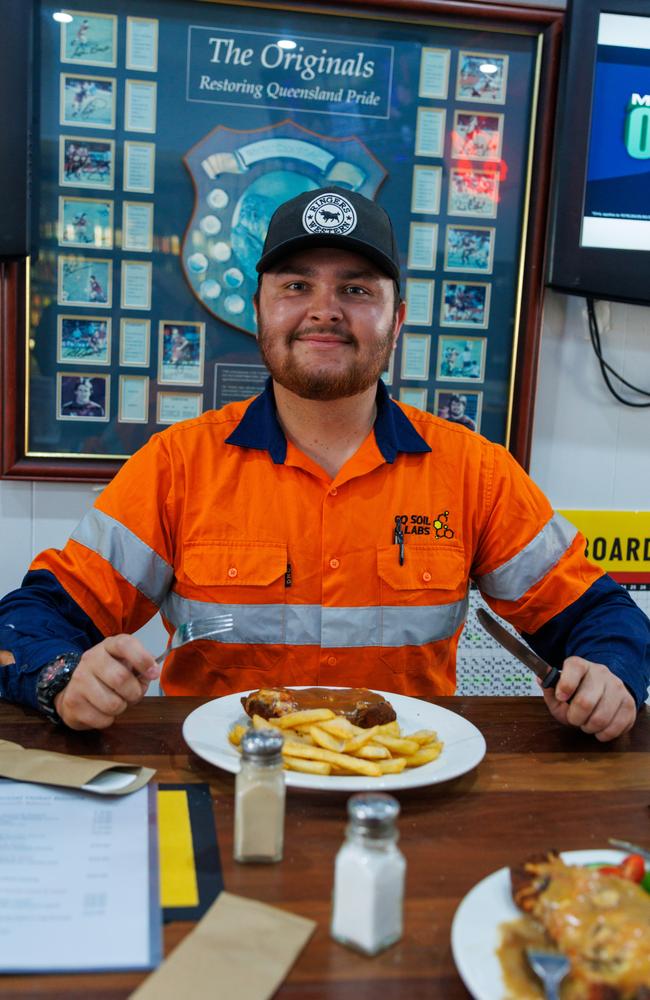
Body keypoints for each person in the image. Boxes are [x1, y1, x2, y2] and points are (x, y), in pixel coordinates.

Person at [0, 187, 648, 740]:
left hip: (409, 792)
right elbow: (30, 621)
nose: (324, 310)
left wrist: (607, 673)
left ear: (397, 321)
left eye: (357, 288)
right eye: (297, 285)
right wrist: (60, 678)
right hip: (222, 789)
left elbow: (602, 616)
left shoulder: (475, 473)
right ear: (258, 311)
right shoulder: (177, 466)